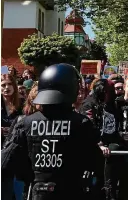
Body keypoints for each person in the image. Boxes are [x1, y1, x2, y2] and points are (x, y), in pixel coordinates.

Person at [1, 63, 104, 200]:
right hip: (72, 192)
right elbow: (96, 163)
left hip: (36, 192)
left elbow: (5, 163)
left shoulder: (25, 124)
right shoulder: (81, 124)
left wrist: (28, 175)